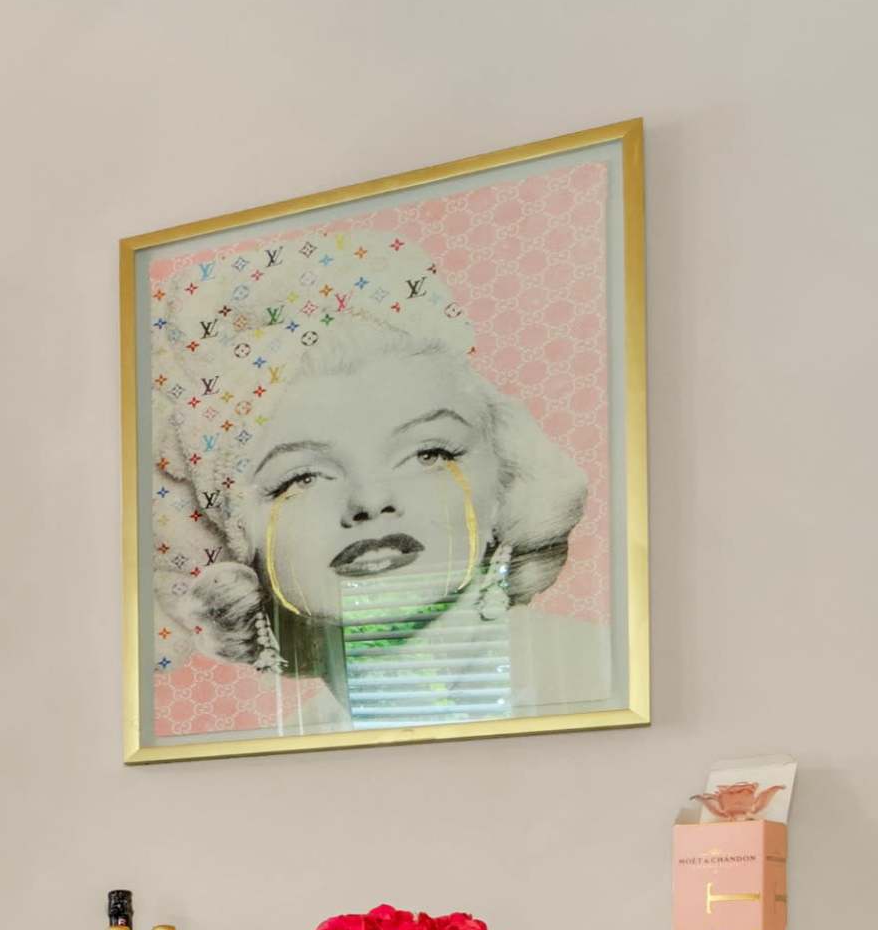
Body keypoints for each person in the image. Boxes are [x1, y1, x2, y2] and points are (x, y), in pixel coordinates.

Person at [147, 227, 598, 733]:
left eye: (427, 453)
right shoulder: (291, 746)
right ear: (238, 544)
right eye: (302, 478)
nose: (370, 500)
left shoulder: (591, 680)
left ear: (506, 481)